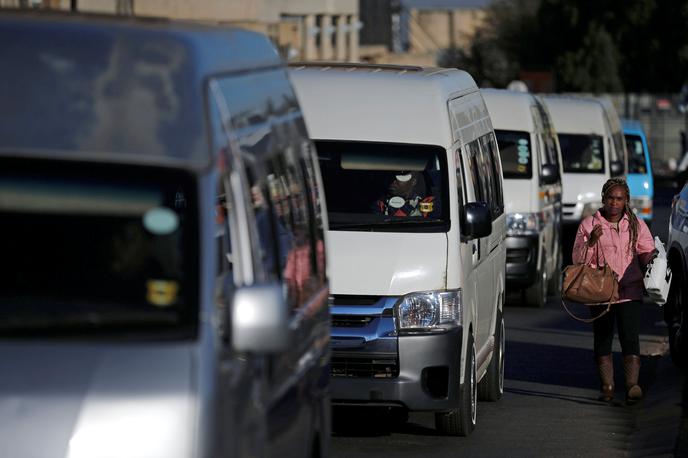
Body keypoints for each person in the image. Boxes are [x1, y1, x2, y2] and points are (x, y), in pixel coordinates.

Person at [572, 177, 656, 403]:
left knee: (630, 338)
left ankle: (631, 385)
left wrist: (652, 259)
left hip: (630, 291)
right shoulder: (589, 225)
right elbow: (577, 260)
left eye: (619, 199)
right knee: (603, 339)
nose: (614, 203)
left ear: (626, 200)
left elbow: (646, 250)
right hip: (600, 293)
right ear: (603, 199)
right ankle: (607, 387)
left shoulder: (636, 224)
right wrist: (591, 243)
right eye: (610, 198)